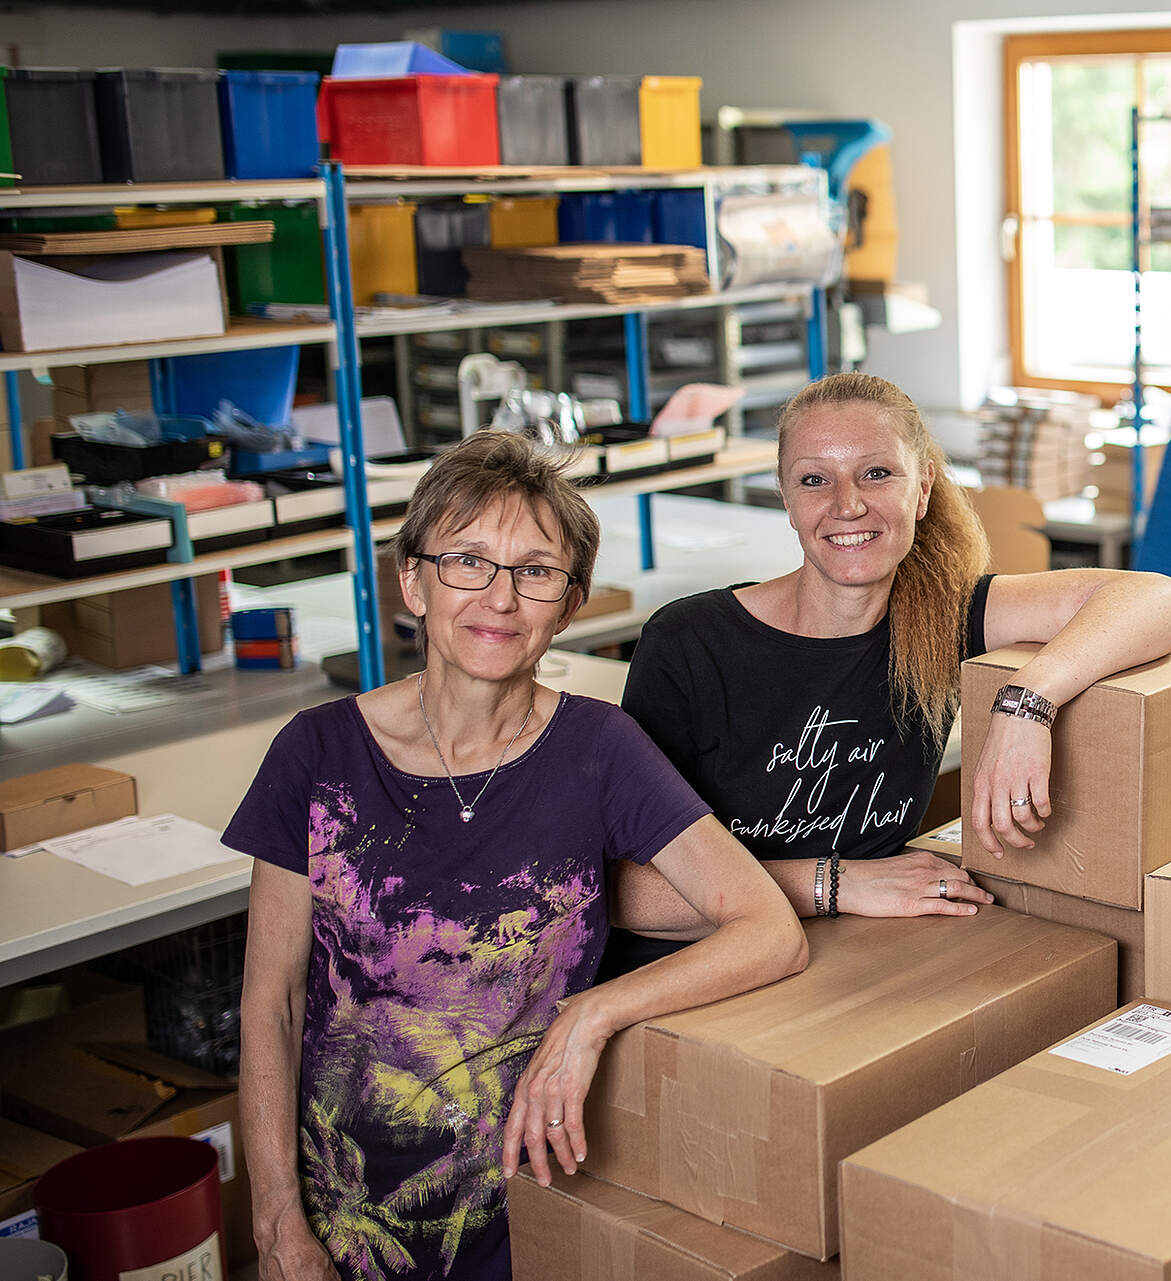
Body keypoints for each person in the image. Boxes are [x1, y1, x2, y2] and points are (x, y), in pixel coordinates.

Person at [229, 432, 807, 1281]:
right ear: (412, 581)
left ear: (567, 606)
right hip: (342, 1225)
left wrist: (590, 1014)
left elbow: (769, 930)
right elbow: (270, 1005)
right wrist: (278, 1218)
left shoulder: (601, 749)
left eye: (535, 571)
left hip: (528, 1223)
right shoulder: (316, 754)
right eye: (467, 560)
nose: (500, 597)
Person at [602, 372, 1171, 973]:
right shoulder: (690, 643)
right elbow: (625, 892)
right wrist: (837, 883)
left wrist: (1026, 703)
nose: (848, 505)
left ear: (923, 490)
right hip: (693, 966)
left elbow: (1161, 598)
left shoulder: (941, 617)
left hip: (851, 953)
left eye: (877, 473)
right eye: (815, 480)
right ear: (786, 499)